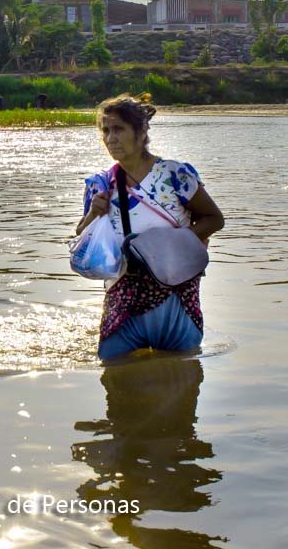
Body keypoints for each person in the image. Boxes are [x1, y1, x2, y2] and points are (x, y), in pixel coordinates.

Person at [75, 93, 224, 359]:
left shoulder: (174, 175)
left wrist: (168, 247)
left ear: (141, 131)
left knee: (183, 375)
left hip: (175, 293)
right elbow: (82, 238)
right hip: (122, 294)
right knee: (113, 370)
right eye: (106, 131)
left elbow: (214, 219)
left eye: (119, 129)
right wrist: (92, 214)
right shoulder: (101, 184)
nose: (111, 138)